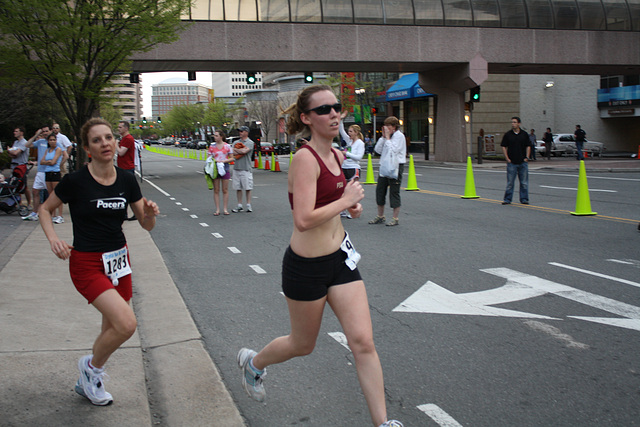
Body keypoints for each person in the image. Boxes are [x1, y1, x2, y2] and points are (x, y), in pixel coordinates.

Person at [236, 85, 403, 427]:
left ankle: (383, 423)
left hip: (340, 261)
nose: (333, 114)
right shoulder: (304, 159)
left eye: (336, 107)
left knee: (363, 342)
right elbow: (303, 218)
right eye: (323, 109)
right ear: (306, 118)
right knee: (302, 344)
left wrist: (351, 208)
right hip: (306, 267)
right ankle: (254, 364)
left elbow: (335, 207)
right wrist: (344, 202)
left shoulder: (339, 157)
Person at [39, 117, 159, 406]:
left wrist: (151, 213)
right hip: (87, 263)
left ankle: (88, 379)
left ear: (115, 142)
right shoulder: (76, 181)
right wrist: (54, 238)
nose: (105, 143)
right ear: (87, 148)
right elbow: (45, 208)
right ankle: (92, 368)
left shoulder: (128, 179)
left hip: (119, 261)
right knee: (126, 325)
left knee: (111, 329)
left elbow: (146, 225)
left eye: (109, 137)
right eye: (97, 140)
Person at [368, 116, 406, 227]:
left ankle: (395, 218)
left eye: (388, 126)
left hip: (396, 166)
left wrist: (388, 139)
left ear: (394, 127)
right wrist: (383, 138)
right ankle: (380, 216)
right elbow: (378, 150)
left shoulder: (399, 136)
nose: (386, 128)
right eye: (385, 126)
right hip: (384, 166)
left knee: (394, 191)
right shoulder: (386, 138)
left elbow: (394, 150)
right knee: (380, 190)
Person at [338, 112, 365, 218]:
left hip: (353, 168)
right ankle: (343, 210)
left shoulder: (360, 143)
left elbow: (359, 157)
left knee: (352, 191)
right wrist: (341, 119)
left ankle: (353, 210)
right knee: (343, 189)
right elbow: (341, 130)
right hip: (344, 167)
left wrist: (346, 153)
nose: (349, 133)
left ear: (356, 133)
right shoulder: (348, 141)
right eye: (348, 131)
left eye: (351, 131)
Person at [21, 126, 50, 221]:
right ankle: (34, 213)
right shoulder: (40, 142)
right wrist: (36, 135)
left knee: (51, 193)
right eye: (43, 131)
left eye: (47, 131)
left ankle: (51, 213)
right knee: (35, 191)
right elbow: (27, 145)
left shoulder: (53, 142)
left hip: (50, 171)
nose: (45, 133)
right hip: (40, 171)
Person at [501, 117, 530, 205]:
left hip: (522, 162)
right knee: (510, 183)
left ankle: (524, 199)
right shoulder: (508, 134)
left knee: (524, 183)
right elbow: (503, 146)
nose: (513, 124)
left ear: (519, 124)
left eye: (514, 122)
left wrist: (527, 157)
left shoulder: (524, 134)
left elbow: (528, 146)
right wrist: (507, 158)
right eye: (512, 122)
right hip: (512, 163)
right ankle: (507, 199)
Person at [40, 133, 65, 223]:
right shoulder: (47, 150)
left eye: (54, 140)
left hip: (55, 172)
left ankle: (60, 215)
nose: (52, 141)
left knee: (57, 193)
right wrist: (47, 162)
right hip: (47, 173)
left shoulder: (58, 149)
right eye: (50, 140)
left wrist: (48, 162)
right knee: (50, 194)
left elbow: (54, 162)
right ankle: (53, 214)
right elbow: (41, 161)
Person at [207, 130, 233, 215]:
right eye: (214, 136)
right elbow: (208, 158)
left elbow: (232, 158)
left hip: (224, 167)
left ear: (221, 136)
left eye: (217, 135)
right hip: (215, 168)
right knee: (216, 189)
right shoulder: (212, 146)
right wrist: (214, 161)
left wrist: (224, 161)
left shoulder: (227, 146)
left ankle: (225, 209)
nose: (215, 137)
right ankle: (217, 209)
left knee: (225, 189)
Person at [7, 127, 32, 208]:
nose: (14, 132)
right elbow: (12, 154)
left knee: (24, 185)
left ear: (21, 133)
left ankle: (29, 203)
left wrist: (10, 151)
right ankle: (19, 203)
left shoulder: (24, 142)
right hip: (14, 165)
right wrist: (11, 152)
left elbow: (16, 153)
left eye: (16, 131)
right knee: (15, 184)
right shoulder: (16, 142)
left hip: (21, 166)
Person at [231, 126, 254, 213]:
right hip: (236, 167)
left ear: (246, 132)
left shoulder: (250, 142)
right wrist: (239, 150)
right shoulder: (236, 142)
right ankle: (239, 205)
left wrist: (237, 150)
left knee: (248, 187)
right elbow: (232, 152)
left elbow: (245, 151)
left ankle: (248, 204)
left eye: (242, 131)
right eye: (239, 131)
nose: (240, 133)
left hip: (246, 168)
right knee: (238, 187)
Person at [116, 121, 137, 220]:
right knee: (123, 192)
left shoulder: (128, 139)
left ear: (126, 128)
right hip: (124, 167)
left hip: (127, 168)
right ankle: (124, 213)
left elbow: (121, 153)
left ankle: (136, 212)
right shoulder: (124, 139)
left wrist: (115, 144)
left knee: (127, 192)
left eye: (120, 127)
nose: (118, 129)